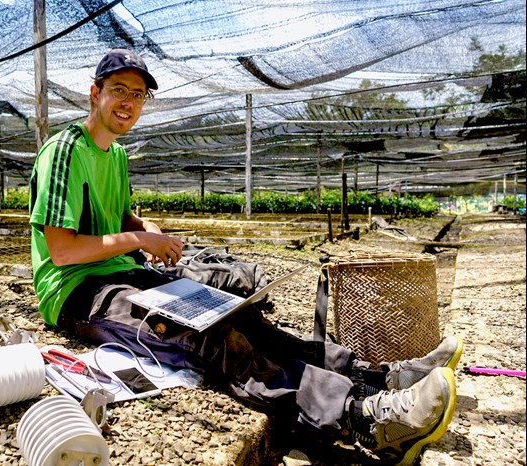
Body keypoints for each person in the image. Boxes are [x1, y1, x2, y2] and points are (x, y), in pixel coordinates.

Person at [28, 48, 462, 465]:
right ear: (94, 92)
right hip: (78, 292)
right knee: (207, 336)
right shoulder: (66, 151)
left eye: (138, 94)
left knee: (239, 317)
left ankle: (375, 378)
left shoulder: (116, 155)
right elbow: (63, 251)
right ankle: (362, 419)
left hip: (125, 273)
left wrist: (148, 229)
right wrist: (138, 242)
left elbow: (122, 217)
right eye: (119, 89)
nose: (128, 102)